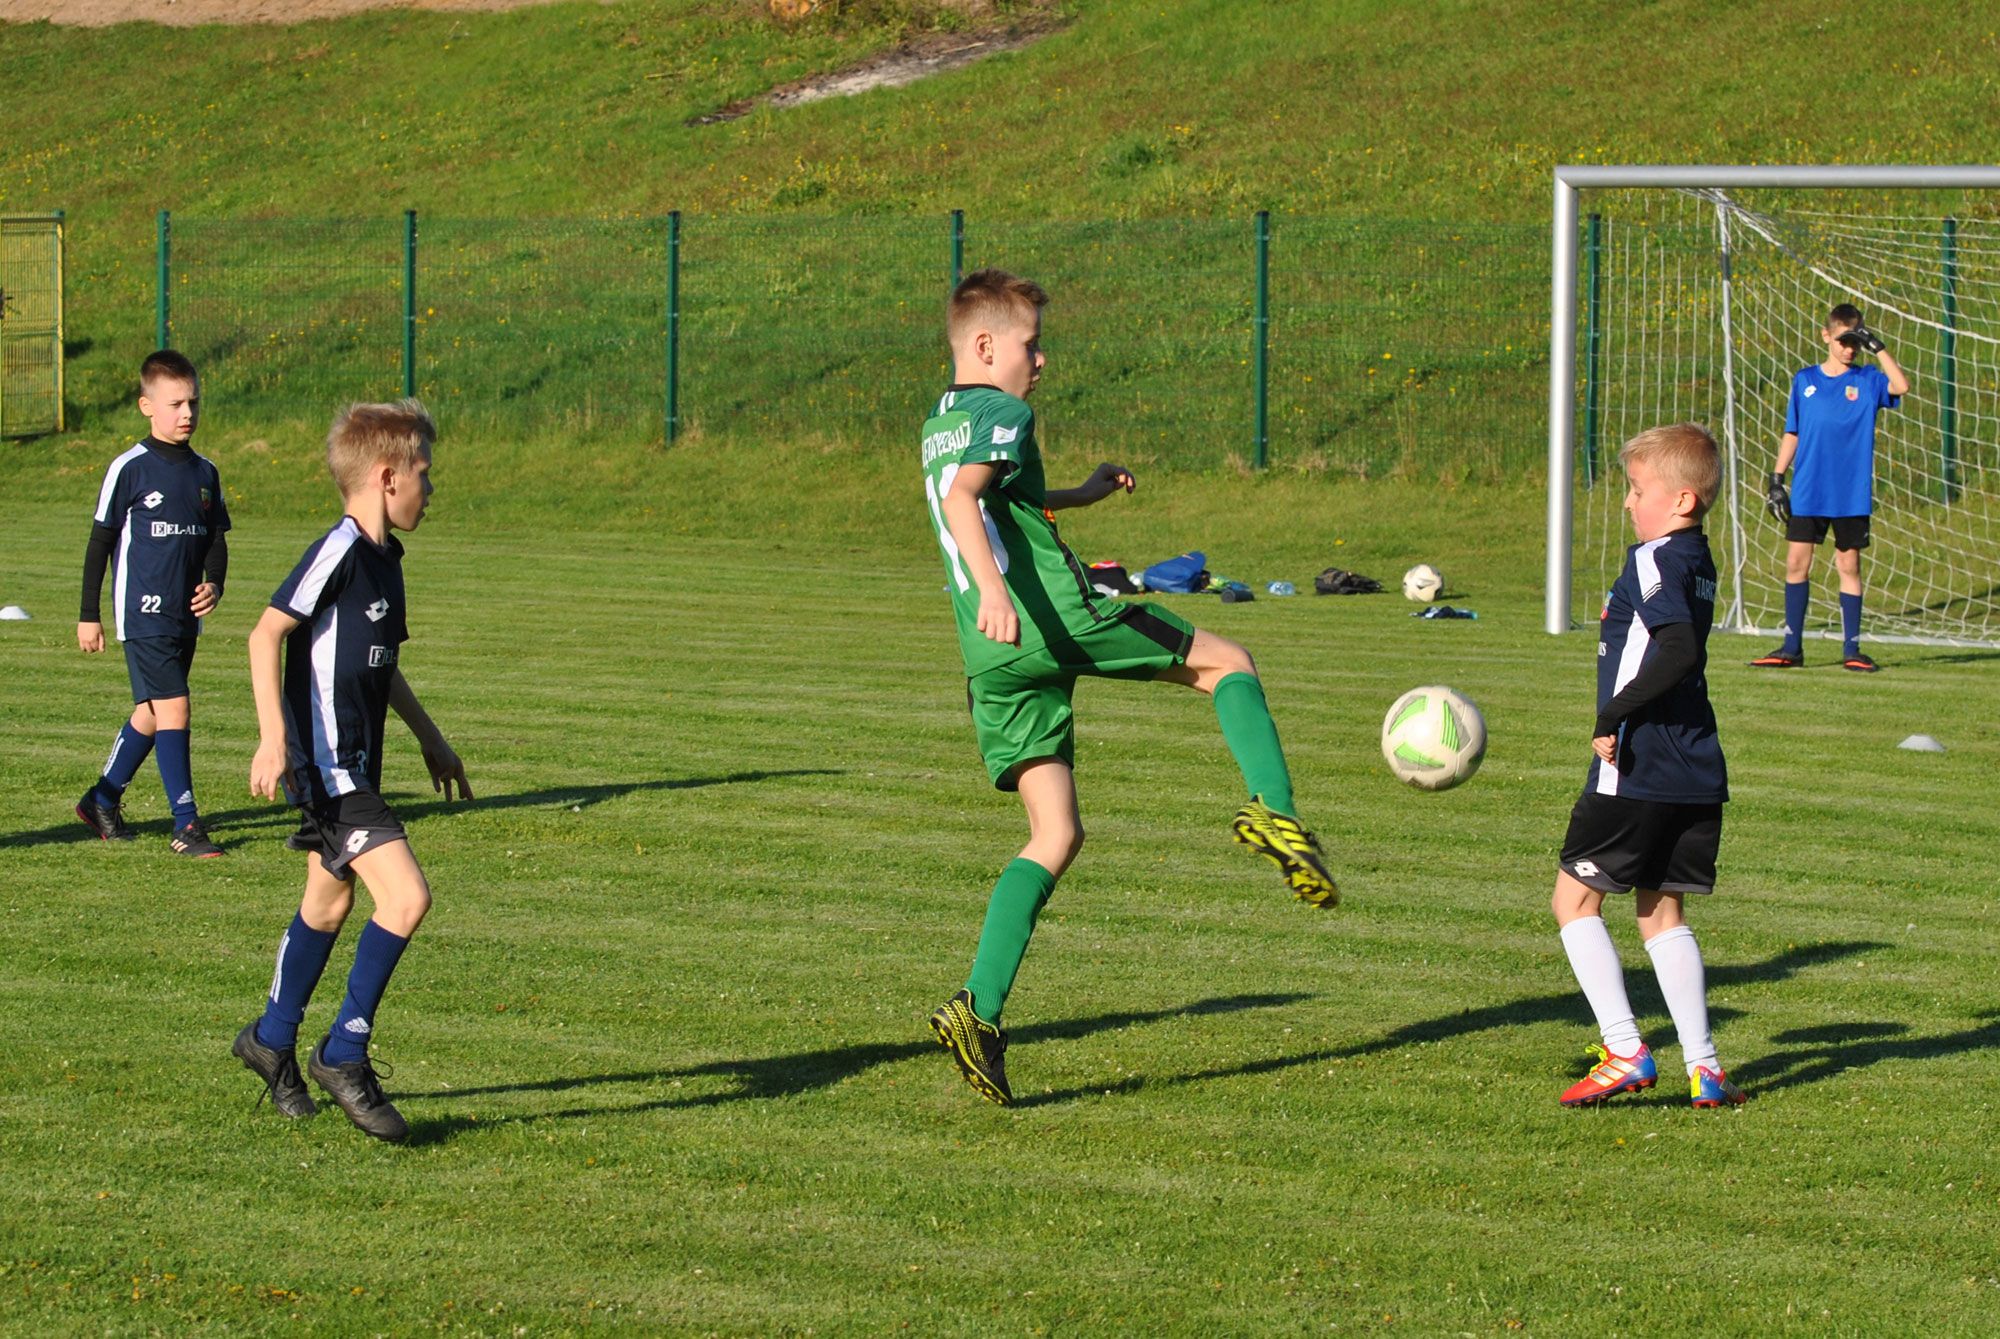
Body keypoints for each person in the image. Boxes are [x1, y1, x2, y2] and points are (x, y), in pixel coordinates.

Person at [919, 269, 1336, 1107]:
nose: (1042, 359)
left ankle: (979, 1009)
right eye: (1031, 344)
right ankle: (1274, 809)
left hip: (989, 659)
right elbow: (969, 503)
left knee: (1055, 832)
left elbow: (1005, 501)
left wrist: (1085, 492)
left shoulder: (942, 419)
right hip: (1046, 619)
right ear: (987, 345)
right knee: (1230, 660)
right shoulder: (1007, 411)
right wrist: (1000, 591)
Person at [231, 400, 470, 1142]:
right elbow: (264, 633)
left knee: (327, 906)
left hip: (356, 767)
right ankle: (343, 1050)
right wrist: (273, 739)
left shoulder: (385, 561)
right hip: (330, 772)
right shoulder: (337, 550)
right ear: (386, 475)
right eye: (424, 476)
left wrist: (432, 738)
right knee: (405, 898)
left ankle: (270, 1038)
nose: (430, 491)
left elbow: (383, 666)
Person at [1553, 422, 1744, 1110]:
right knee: (1662, 911)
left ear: (1683, 499)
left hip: (1640, 762)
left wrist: (1611, 717)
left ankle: (1626, 1047)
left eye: (1638, 489)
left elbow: (1675, 651)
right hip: (1695, 763)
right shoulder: (1698, 558)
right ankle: (1707, 1066)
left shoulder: (1654, 558)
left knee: (1573, 900)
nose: (1628, 503)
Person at [75, 350, 230, 856]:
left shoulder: (206, 471)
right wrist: (89, 615)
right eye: (175, 404)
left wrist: (215, 583)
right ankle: (186, 824)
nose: (187, 413)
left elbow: (215, 539)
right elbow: (100, 542)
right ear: (147, 405)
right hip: (142, 613)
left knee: (152, 711)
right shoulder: (130, 468)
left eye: (193, 402)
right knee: (176, 706)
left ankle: (102, 798)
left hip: (184, 615)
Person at [1752, 302, 1909, 672]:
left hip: (1850, 492)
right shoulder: (1805, 381)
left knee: (1849, 564)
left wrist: (1878, 347)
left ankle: (1852, 649)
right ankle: (1791, 647)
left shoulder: (1868, 380)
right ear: (1826, 336)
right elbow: (1793, 431)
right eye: (1843, 341)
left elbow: (1901, 386)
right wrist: (1776, 479)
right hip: (1808, 488)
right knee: (1795, 563)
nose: (1849, 349)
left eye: (1855, 342)